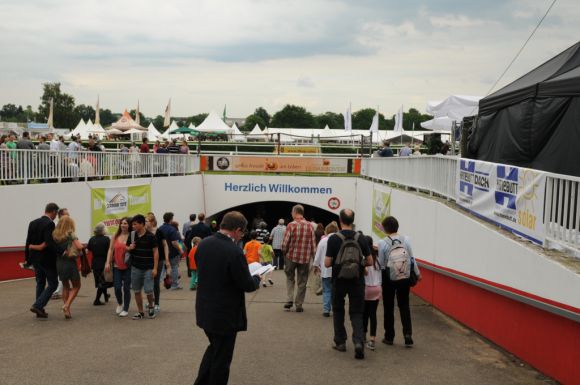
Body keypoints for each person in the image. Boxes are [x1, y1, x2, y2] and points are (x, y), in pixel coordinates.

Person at [193, 211, 261, 385]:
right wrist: (257, 277)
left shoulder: (204, 244)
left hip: (205, 309)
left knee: (215, 349)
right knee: (222, 361)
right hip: (224, 315)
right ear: (237, 230)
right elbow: (247, 285)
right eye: (242, 233)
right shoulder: (234, 251)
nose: (241, 236)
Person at [324, 209, 372, 359]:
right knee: (357, 311)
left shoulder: (333, 238)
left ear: (340, 220)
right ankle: (358, 342)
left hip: (339, 279)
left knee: (338, 310)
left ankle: (340, 342)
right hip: (357, 279)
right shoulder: (361, 238)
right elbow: (370, 261)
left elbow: (327, 263)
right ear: (353, 220)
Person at [378, 216, 421, 347]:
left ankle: (389, 337)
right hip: (404, 276)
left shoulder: (382, 243)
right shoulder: (406, 239)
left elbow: (382, 264)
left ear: (385, 229)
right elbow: (412, 258)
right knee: (404, 305)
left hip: (389, 278)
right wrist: (418, 274)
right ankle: (408, 335)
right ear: (397, 226)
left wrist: (380, 282)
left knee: (389, 307)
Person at [26, 202, 59, 318]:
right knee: (53, 284)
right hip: (47, 259)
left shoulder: (33, 222)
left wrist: (27, 260)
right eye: (56, 214)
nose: (56, 217)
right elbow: (48, 243)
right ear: (53, 211)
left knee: (40, 283)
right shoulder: (50, 224)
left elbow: (28, 242)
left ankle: (39, 310)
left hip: (35, 259)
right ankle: (38, 305)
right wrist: (61, 252)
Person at [281, 204, 316, 312]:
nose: (291, 214)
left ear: (295, 212)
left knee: (290, 278)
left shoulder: (291, 225)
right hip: (305, 259)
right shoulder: (310, 226)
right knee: (302, 282)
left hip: (291, 257)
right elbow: (313, 244)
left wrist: (284, 253)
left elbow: (285, 243)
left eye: (292, 212)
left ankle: (289, 299)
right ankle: (299, 304)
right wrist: (314, 259)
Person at [126, 214, 159, 320]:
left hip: (148, 268)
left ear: (142, 224)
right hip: (135, 267)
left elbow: (155, 252)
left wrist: (155, 268)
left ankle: (151, 307)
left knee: (149, 290)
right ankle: (140, 312)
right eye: (132, 224)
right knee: (136, 290)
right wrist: (129, 248)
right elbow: (126, 248)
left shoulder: (151, 236)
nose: (133, 226)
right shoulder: (132, 235)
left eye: (135, 224)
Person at [53, 216, 84, 319]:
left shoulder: (55, 235)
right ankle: (67, 306)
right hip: (70, 262)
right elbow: (79, 247)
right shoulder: (71, 234)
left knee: (65, 286)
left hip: (59, 263)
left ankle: (67, 311)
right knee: (77, 286)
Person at [105, 217, 131, 317]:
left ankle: (126, 309)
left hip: (128, 266)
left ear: (129, 225)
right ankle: (120, 303)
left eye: (125, 223)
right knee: (117, 288)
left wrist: (129, 248)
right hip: (116, 266)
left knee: (127, 288)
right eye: (122, 223)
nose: (123, 225)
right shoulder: (115, 235)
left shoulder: (132, 236)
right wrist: (107, 262)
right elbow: (110, 249)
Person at [313, 221, 338, 317]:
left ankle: (326, 310)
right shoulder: (340, 239)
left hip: (325, 270)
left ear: (327, 230)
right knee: (335, 290)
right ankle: (336, 308)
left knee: (327, 289)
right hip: (337, 270)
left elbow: (318, 255)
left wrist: (316, 266)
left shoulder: (323, 241)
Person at [146, 213, 170, 313]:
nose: (145, 223)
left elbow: (165, 245)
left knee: (155, 282)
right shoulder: (144, 233)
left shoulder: (159, 232)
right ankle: (151, 301)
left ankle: (156, 303)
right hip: (147, 260)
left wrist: (167, 260)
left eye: (146, 221)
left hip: (159, 260)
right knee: (148, 281)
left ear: (152, 222)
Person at [363, 235, 381, 351]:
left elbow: (364, 273)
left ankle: (363, 335)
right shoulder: (378, 258)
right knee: (373, 314)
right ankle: (372, 339)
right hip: (378, 288)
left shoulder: (365, 258)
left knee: (364, 313)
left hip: (367, 288)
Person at [87, 222, 111, 306]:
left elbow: (89, 249)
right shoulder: (106, 239)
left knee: (101, 281)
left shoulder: (92, 239)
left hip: (95, 263)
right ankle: (97, 300)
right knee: (102, 282)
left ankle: (105, 296)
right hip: (104, 262)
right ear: (103, 230)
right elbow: (110, 250)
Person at [158, 212, 183, 290]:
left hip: (162, 253)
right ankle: (174, 285)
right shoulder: (172, 229)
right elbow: (174, 242)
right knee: (174, 267)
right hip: (172, 253)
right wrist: (180, 250)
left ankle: (157, 284)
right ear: (171, 219)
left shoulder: (160, 228)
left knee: (162, 269)